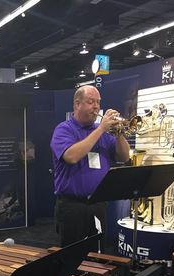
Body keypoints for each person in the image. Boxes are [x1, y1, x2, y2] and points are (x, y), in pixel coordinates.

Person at [50, 85, 130, 248]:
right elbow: (71, 157)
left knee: (97, 253)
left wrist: (119, 133)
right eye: (91, 102)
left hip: (97, 204)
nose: (96, 107)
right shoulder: (64, 129)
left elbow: (124, 157)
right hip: (72, 206)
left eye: (98, 103)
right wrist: (101, 128)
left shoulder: (103, 133)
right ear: (77, 104)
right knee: (71, 255)